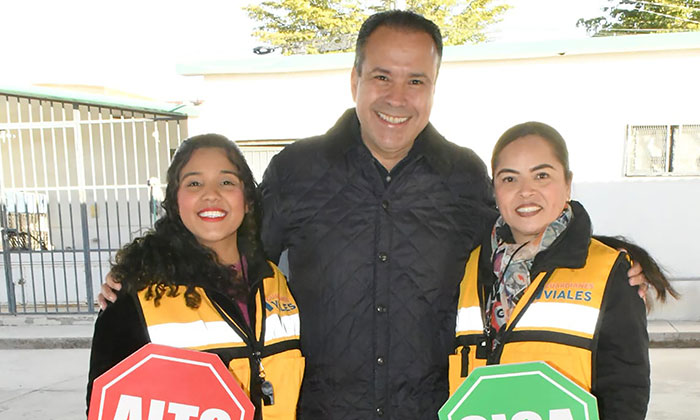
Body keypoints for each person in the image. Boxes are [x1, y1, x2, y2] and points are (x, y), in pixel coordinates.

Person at [98, 10, 649, 420]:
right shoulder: (298, 169)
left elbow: (523, 235)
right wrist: (141, 276)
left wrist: (616, 266)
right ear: (354, 78)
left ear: (434, 88)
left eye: (417, 81)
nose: (397, 97)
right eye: (382, 76)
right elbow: (230, 250)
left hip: (434, 411)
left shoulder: (463, 177)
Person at [448, 122, 672, 419]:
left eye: (542, 176)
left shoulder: (611, 272)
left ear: (567, 183)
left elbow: (625, 392)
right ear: (494, 190)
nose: (526, 191)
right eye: (509, 179)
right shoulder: (467, 265)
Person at [87, 134, 304, 420]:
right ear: (176, 202)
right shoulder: (136, 297)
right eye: (194, 183)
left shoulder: (277, 284)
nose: (211, 194)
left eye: (226, 182)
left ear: (248, 200)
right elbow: (107, 407)